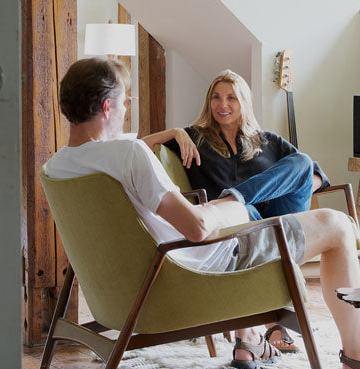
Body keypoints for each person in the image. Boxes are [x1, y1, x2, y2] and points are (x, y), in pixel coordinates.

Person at [45, 57, 360, 369]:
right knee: (339, 226)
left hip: (134, 288)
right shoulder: (127, 153)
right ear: (107, 107)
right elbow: (198, 228)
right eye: (123, 103)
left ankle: (256, 338)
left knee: (297, 172)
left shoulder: (56, 166)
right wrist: (224, 206)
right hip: (209, 261)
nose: (124, 110)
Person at [141, 69, 331, 352]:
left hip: (274, 219)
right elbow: (138, 149)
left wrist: (286, 187)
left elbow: (315, 174)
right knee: (248, 213)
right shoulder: (195, 138)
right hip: (236, 227)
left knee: (301, 161)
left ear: (244, 102)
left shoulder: (266, 140)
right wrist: (174, 132)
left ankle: (236, 198)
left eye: (231, 97)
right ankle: (271, 320)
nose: (222, 104)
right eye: (216, 97)